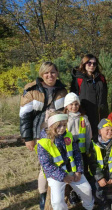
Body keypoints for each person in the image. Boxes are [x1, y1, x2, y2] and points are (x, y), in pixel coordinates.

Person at [19, 61, 67, 209]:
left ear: (57, 73)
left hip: (58, 134)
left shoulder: (62, 90)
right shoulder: (32, 90)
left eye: (52, 72)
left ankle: (59, 195)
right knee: (44, 167)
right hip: (39, 134)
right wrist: (28, 138)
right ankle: (43, 197)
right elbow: (24, 117)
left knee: (59, 163)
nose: (50, 75)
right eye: (46, 72)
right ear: (41, 74)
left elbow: (66, 114)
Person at [37, 112, 94, 210]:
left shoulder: (68, 135)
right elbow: (46, 165)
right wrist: (63, 176)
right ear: (51, 125)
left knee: (87, 190)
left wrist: (78, 171)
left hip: (72, 170)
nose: (62, 128)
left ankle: (89, 207)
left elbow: (77, 154)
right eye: (59, 125)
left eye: (64, 125)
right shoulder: (43, 142)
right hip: (56, 175)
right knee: (57, 201)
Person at [88, 119, 112, 210]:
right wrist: (100, 178)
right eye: (107, 130)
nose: (110, 132)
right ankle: (104, 205)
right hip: (99, 172)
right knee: (96, 187)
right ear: (100, 131)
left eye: (111, 130)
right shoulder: (93, 143)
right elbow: (92, 163)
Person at [63, 92, 93, 203]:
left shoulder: (84, 119)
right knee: (70, 172)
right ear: (66, 106)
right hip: (69, 153)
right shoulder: (64, 119)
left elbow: (88, 134)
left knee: (82, 172)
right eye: (71, 104)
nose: (74, 107)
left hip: (82, 151)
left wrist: (89, 148)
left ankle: (81, 193)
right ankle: (71, 192)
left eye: (76, 104)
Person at [70, 54, 109, 136]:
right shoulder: (78, 78)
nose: (92, 65)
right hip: (84, 113)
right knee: (86, 137)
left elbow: (105, 96)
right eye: (89, 63)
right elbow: (73, 97)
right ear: (84, 64)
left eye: (94, 63)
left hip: (99, 113)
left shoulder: (101, 78)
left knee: (100, 136)